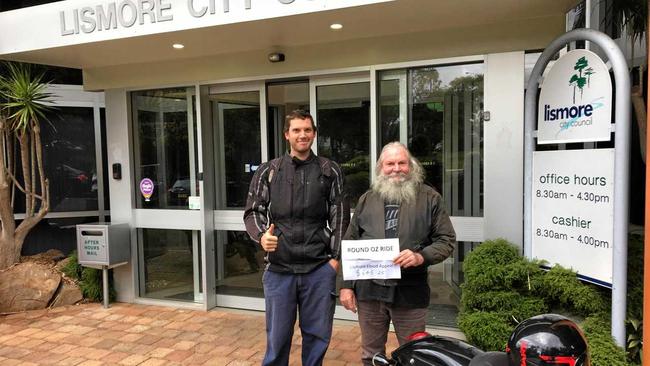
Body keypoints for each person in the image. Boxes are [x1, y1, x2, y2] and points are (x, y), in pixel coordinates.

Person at [244, 109, 350, 366]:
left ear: (313, 134)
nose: (302, 135)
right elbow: (253, 210)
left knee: (317, 337)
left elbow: (341, 217)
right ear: (287, 135)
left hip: (318, 269)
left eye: (307, 130)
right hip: (279, 270)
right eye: (296, 130)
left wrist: (334, 261)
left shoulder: (329, 171)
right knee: (278, 338)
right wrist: (261, 237)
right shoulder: (269, 171)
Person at [340, 141, 456, 366]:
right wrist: (345, 285)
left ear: (411, 166)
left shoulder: (430, 198)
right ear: (381, 168)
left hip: (409, 291)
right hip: (369, 291)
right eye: (390, 163)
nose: (396, 168)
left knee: (414, 354)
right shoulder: (367, 199)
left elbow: (447, 240)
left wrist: (421, 256)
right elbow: (350, 242)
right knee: (371, 355)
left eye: (402, 163)